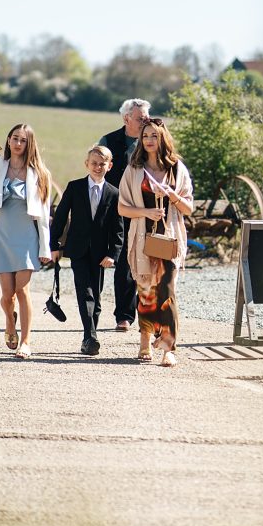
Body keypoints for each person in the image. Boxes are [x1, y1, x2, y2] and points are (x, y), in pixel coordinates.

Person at [118, 118, 193, 367]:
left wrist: (172, 195)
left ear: (163, 139)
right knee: (146, 290)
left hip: (169, 238)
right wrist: (145, 212)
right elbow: (122, 208)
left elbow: (189, 208)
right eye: (146, 135)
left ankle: (168, 348)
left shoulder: (177, 169)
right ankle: (145, 339)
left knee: (167, 291)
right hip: (142, 238)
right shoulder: (133, 169)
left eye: (154, 136)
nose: (150, 140)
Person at [0, 123, 54, 359]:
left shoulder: (40, 173)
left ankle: (26, 341)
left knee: (22, 290)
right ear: (8, 140)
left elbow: (43, 213)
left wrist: (45, 247)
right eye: (15, 138)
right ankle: (10, 322)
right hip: (3, 235)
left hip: (27, 237)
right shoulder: (0, 167)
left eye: (23, 140)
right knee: (7, 295)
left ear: (30, 144)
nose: (18, 143)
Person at [49, 145, 124, 356]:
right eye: (94, 163)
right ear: (87, 164)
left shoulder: (114, 193)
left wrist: (113, 254)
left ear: (109, 166)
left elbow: (119, 229)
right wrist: (54, 246)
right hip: (78, 249)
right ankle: (91, 337)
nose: (98, 167)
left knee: (97, 298)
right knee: (85, 293)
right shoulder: (74, 187)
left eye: (102, 164)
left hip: (101, 254)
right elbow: (61, 219)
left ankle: (88, 337)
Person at [98, 98, 151, 332]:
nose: (145, 122)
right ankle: (125, 315)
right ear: (126, 118)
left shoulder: (151, 141)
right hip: (117, 209)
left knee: (148, 263)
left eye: (147, 118)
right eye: (141, 118)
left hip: (146, 209)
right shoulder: (109, 141)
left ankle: (150, 317)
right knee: (124, 264)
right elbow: (98, 173)